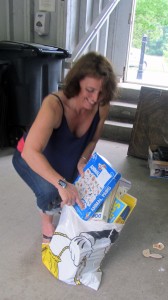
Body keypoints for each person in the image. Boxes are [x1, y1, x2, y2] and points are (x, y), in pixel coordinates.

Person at [12, 51, 118, 244]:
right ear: (76, 82)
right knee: (51, 191)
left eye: (101, 92)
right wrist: (62, 183)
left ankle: (60, 193)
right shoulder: (54, 105)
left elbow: (92, 140)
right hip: (29, 158)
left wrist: (83, 160)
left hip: (65, 159)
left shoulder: (102, 106)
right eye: (90, 90)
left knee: (86, 185)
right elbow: (30, 152)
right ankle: (47, 224)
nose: (95, 98)